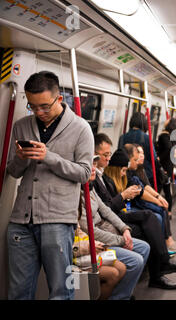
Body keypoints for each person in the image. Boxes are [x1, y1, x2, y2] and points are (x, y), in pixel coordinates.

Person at [6, 71, 94, 300]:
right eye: (33, 107)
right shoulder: (22, 126)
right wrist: (21, 158)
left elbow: (84, 173)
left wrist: (49, 157)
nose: (39, 112)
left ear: (59, 99)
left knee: (60, 291)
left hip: (57, 220)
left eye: (45, 106)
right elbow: (13, 172)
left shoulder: (81, 128)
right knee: (18, 292)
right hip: (21, 220)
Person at [103, 148, 176, 289]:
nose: (141, 158)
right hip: (113, 218)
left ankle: (159, 270)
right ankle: (163, 263)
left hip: (119, 214)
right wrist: (123, 196)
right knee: (150, 217)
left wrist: (157, 197)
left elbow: (142, 188)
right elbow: (108, 209)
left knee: (152, 219)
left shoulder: (124, 176)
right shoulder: (105, 181)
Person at [79, 157, 150, 300]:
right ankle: (119, 297)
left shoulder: (90, 188)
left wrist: (125, 229)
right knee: (135, 261)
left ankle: (121, 292)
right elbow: (89, 230)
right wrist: (121, 240)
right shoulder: (77, 194)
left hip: (106, 231)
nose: (93, 169)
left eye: (94, 165)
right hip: (95, 240)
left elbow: (106, 211)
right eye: (89, 166)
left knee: (144, 248)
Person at [73, 185, 127, 300]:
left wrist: (93, 243)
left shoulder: (87, 192)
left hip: (86, 247)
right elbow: (68, 245)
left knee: (121, 268)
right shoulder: (75, 199)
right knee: (113, 274)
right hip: (74, 257)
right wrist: (88, 246)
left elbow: (80, 232)